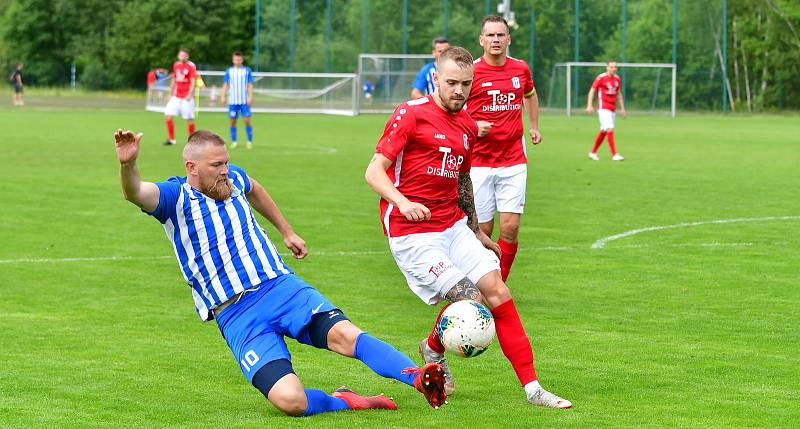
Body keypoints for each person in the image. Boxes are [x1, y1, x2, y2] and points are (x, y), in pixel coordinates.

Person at [114, 129, 447, 416]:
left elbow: (255, 189)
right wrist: (128, 164)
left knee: (346, 335)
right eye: (216, 165)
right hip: (236, 315)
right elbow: (135, 193)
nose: (225, 171)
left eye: (227, 162)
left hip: (279, 287)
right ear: (192, 167)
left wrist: (287, 231)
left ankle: (418, 377)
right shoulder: (175, 197)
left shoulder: (232, 180)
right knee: (290, 401)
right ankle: (347, 400)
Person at [364, 46, 571, 409]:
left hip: (454, 226)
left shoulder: (466, 126)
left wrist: (476, 230)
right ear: (436, 79)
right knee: (471, 300)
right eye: (452, 83)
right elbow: (374, 170)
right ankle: (434, 348)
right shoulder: (410, 115)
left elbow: (463, 181)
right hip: (412, 234)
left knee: (499, 293)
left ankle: (533, 389)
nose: (459, 90)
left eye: (465, 83)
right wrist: (403, 201)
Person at [466, 15, 540, 283]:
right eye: (491, 35)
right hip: (479, 164)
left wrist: (534, 126)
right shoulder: (471, 72)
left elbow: (530, 96)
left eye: (501, 35)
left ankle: (499, 286)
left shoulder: (520, 69)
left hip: (513, 161)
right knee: (482, 229)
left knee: (510, 228)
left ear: (508, 39)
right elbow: (452, 110)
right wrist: (473, 126)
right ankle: (480, 282)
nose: (496, 40)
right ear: (481, 40)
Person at [586, 60, 626, 161]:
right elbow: (592, 90)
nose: (613, 69)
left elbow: (619, 94)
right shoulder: (601, 78)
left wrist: (622, 109)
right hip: (603, 107)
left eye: (615, 67)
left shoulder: (617, 79)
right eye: (611, 67)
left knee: (604, 130)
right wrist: (589, 105)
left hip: (612, 108)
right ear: (607, 67)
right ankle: (614, 154)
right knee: (610, 128)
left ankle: (593, 152)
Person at [221, 52, 254, 149]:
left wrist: (250, 96)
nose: (237, 61)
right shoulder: (229, 71)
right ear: (233, 60)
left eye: (239, 59)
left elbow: (250, 84)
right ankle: (234, 141)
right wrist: (223, 96)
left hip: (244, 101)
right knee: (232, 121)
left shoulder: (247, 71)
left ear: (242, 60)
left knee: (247, 120)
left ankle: (249, 141)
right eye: (236, 59)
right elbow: (226, 84)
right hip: (233, 101)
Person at [163, 48, 197, 146]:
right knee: (168, 115)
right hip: (177, 96)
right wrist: (170, 93)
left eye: (184, 55)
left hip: (187, 97)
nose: (182, 57)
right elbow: (174, 79)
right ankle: (172, 139)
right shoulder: (176, 65)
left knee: (189, 118)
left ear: (187, 56)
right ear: (178, 56)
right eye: (181, 55)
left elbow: (193, 81)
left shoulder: (191, 66)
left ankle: (192, 142)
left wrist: (190, 94)